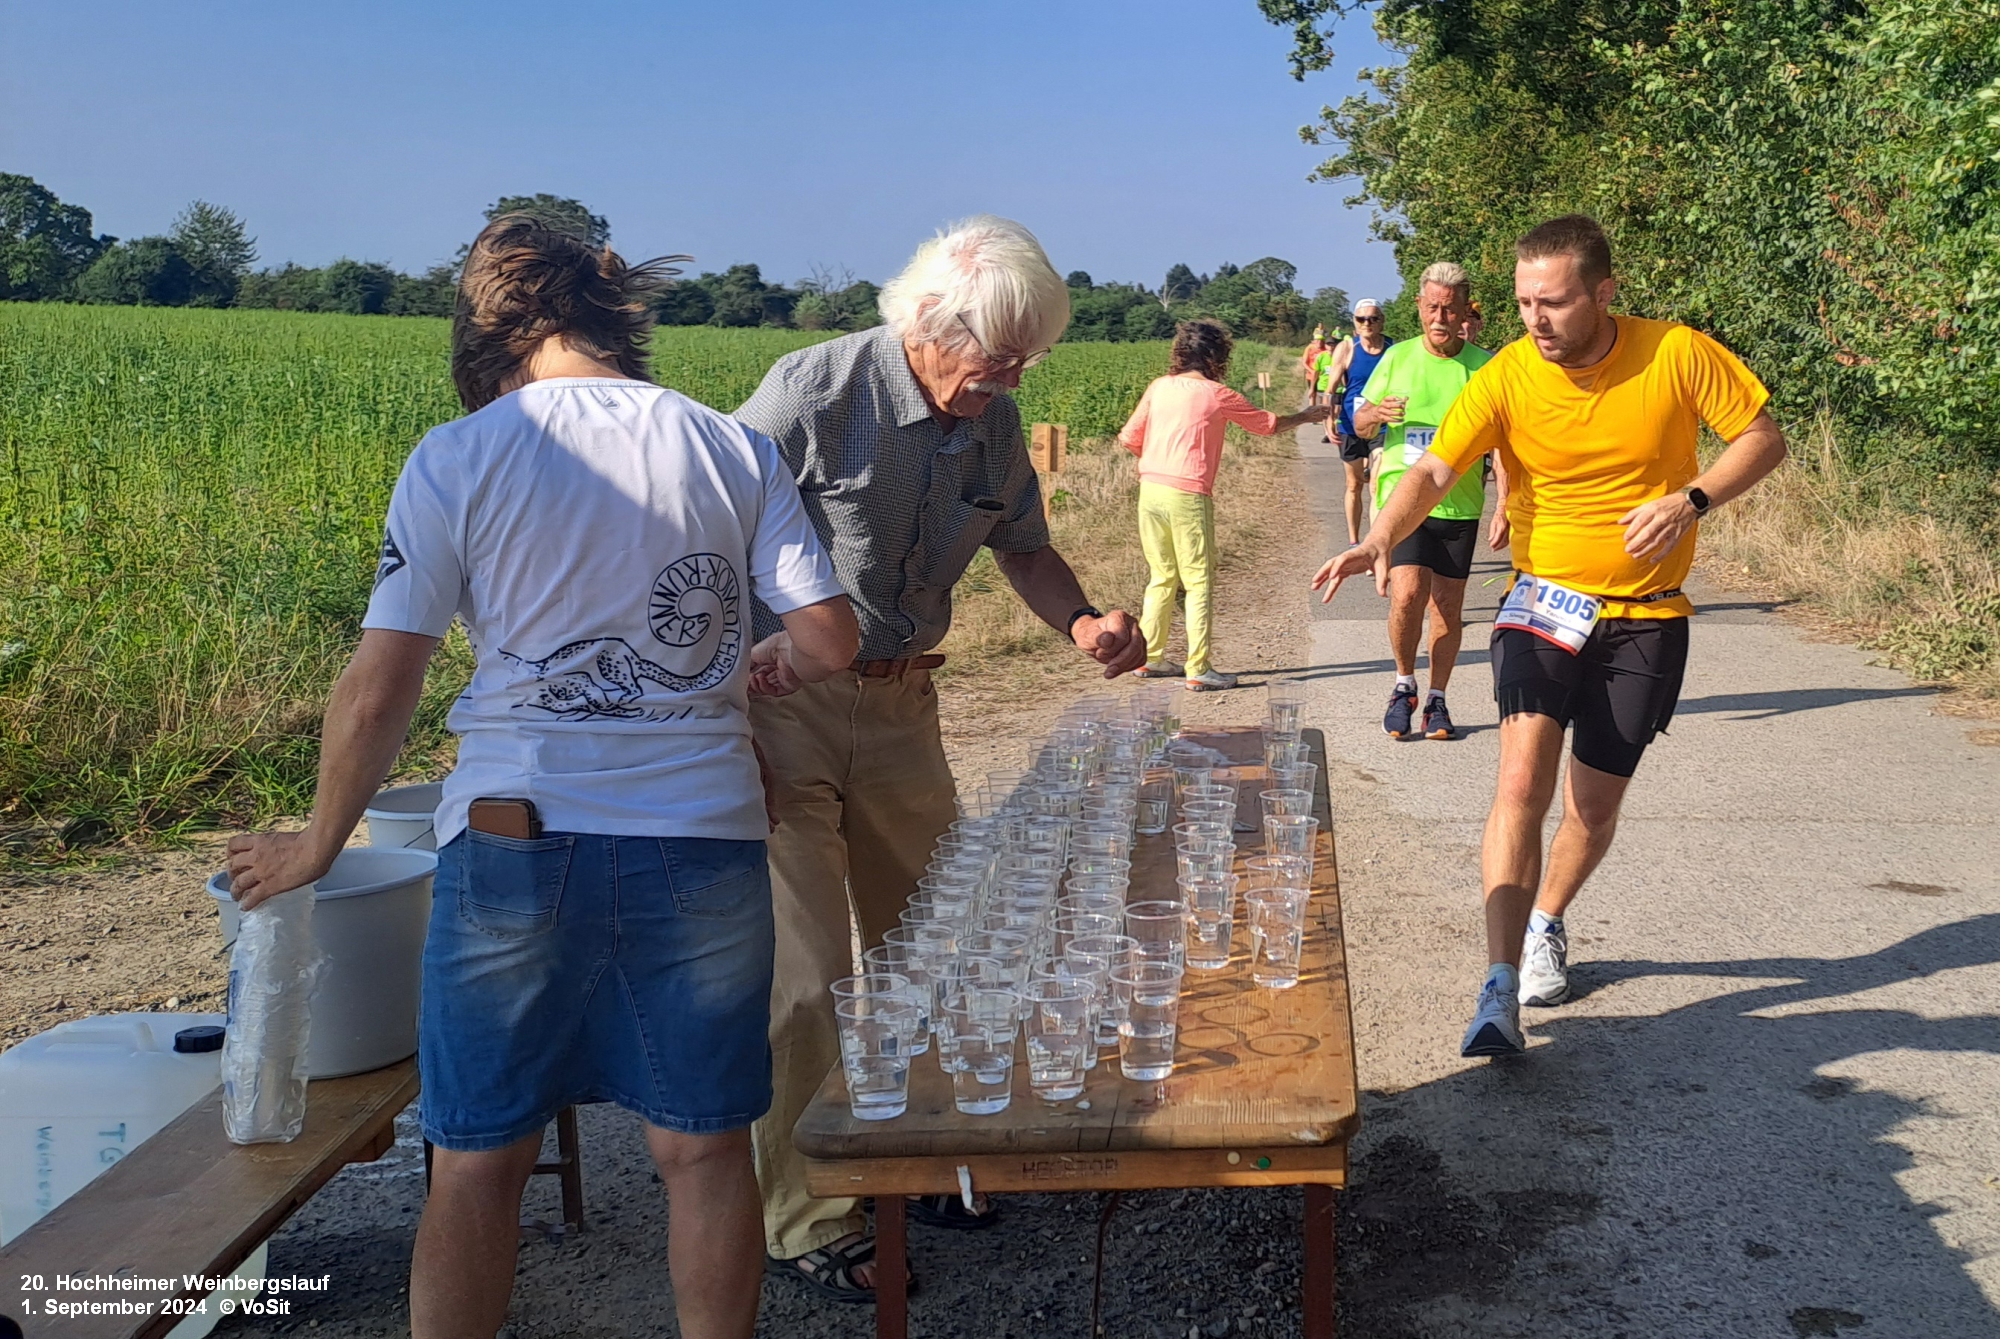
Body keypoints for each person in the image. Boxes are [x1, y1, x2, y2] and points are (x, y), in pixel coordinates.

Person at [225, 216, 860, 1339]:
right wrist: (765, 669)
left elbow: (379, 684)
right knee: (704, 1149)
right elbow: (829, 635)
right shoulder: (728, 445)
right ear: (611, 316)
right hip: (705, 838)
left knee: (477, 1158)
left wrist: (316, 844)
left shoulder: (459, 454)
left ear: (489, 325)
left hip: (516, 841)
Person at [733, 215, 1146, 1300]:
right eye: (998, 355)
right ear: (926, 320)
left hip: (903, 706)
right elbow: (704, 540)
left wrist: (1083, 623)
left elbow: (1025, 546)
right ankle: (810, 1213)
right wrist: (716, 715)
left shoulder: (992, 423)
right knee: (802, 977)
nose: (1010, 378)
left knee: (938, 947)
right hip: (781, 707)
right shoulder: (812, 393)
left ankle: (916, 1157)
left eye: (1025, 360)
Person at [1313, 214, 1788, 1057]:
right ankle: (1497, 985)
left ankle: (1545, 922)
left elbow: (1761, 438)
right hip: (1543, 603)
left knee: (1592, 807)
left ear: (1603, 293)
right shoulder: (1507, 372)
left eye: (1556, 303)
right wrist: (1380, 535)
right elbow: (1435, 466)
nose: (1536, 320)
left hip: (1648, 613)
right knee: (1521, 780)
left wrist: (1692, 500)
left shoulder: (1676, 353)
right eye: (1526, 302)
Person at [1119, 319, 1323, 690]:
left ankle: (1149, 657)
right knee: (1198, 581)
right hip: (1188, 492)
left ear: (1180, 352)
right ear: (1218, 356)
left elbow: (1130, 437)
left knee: (1162, 576)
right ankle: (1198, 667)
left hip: (1150, 488)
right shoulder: (1216, 394)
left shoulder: (1159, 387)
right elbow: (1265, 424)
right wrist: (1305, 417)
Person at [1348, 262, 1495, 741]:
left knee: (1447, 608)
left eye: (1449, 309)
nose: (1439, 318)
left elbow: (1505, 442)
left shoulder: (1485, 366)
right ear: (1418, 307)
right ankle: (1403, 684)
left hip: (1461, 504)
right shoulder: (1397, 358)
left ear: (1464, 311)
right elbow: (1360, 424)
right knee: (1408, 593)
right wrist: (1375, 412)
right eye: (1432, 308)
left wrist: (1508, 504)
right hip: (1404, 503)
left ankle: (1437, 698)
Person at [1316, 299, 1394, 545]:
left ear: (1382, 321)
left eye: (1373, 318)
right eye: (1361, 319)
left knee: (1377, 485)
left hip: (1382, 424)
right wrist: (1328, 419)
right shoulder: (1348, 348)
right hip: (1350, 424)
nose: (1367, 323)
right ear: (1355, 322)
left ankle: (1375, 544)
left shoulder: (1393, 349)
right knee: (1354, 484)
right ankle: (1353, 542)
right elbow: (1330, 390)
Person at [1300, 324, 1329, 406]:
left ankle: (1322, 411)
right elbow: (1304, 362)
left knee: (1324, 395)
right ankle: (1311, 410)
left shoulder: (1326, 348)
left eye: (1321, 340)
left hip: (1322, 376)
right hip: (1311, 375)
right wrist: (1311, 371)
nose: (1319, 342)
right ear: (1314, 341)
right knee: (1312, 394)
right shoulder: (1310, 348)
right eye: (1318, 340)